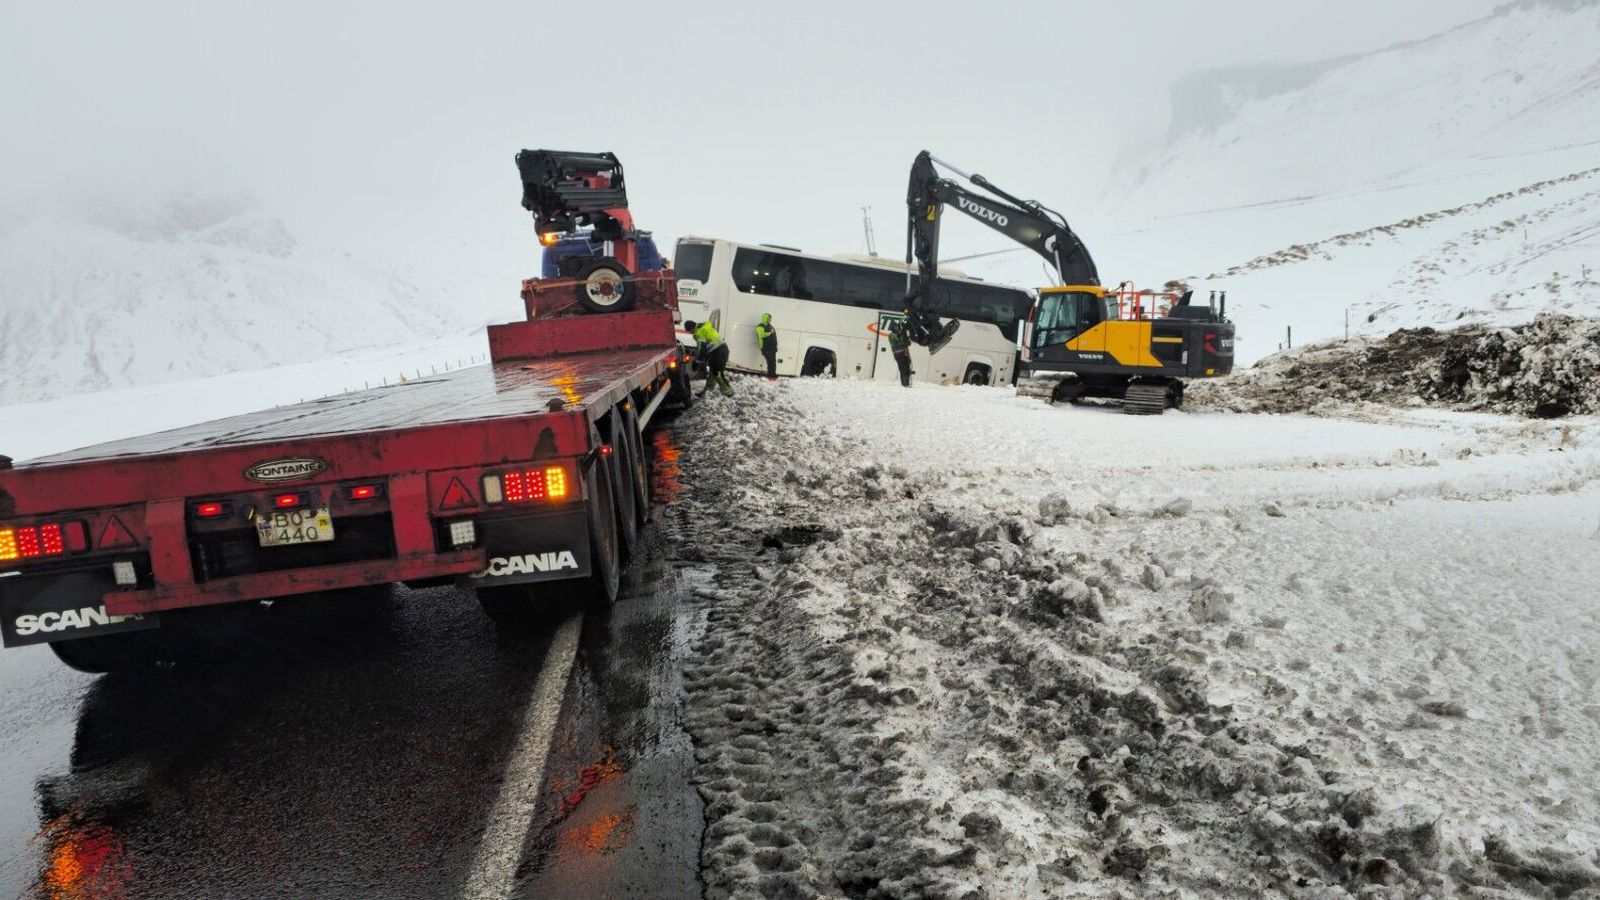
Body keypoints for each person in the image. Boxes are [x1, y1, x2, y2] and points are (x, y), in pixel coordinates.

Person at [684, 320, 733, 397]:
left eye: (689, 331)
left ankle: (729, 392)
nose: (690, 333)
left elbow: (701, 349)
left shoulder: (700, 332)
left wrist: (697, 361)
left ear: (691, 328)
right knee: (712, 372)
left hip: (719, 352)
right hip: (718, 350)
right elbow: (703, 348)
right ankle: (707, 391)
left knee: (717, 373)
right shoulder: (702, 328)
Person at [888, 319, 913, 387]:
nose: (896, 327)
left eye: (897, 326)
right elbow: (896, 342)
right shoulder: (891, 335)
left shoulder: (902, 333)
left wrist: (905, 337)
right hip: (898, 354)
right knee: (903, 369)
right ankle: (904, 384)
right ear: (892, 328)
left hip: (905, 352)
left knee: (907, 368)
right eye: (894, 326)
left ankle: (907, 383)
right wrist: (902, 335)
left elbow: (908, 343)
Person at [755, 313, 778, 379]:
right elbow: (761, 335)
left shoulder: (770, 326)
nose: (770, 320)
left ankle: (773, 374)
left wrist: (775, 345)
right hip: (765, 347)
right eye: (769, 318)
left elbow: (773, 335)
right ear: (765, 318)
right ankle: (770, 376)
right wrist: (770, 333)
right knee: (770, 362)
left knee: (773, 362)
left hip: (772, 347)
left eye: (770, 318)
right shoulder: (760, 326)